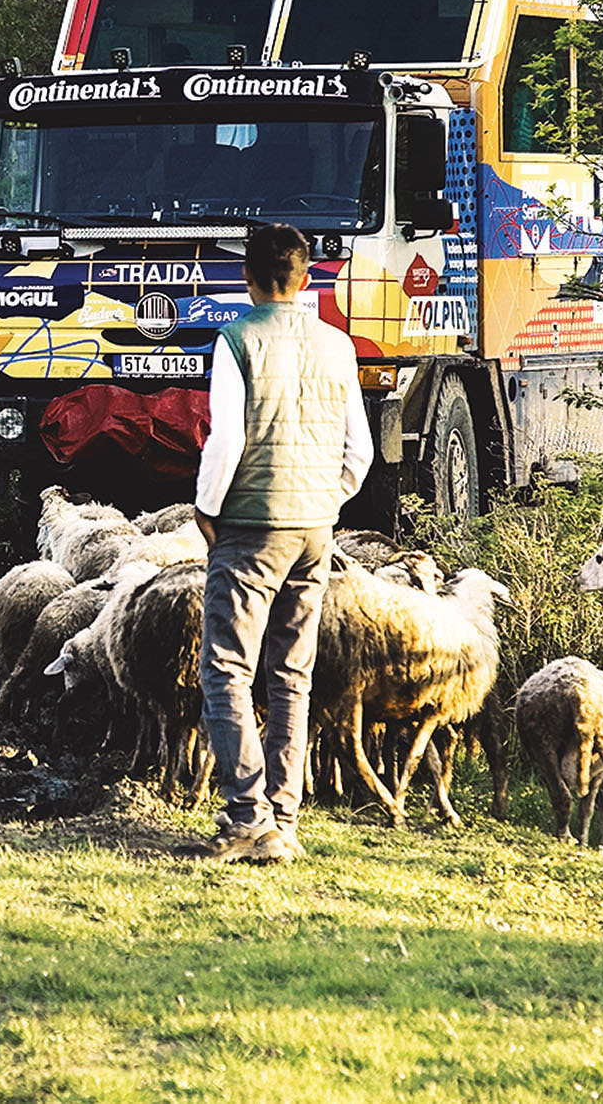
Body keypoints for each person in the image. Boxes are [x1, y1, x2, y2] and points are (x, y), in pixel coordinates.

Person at [186, 222, 373, 863]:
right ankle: (284, 819)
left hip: (249, 525)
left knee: (228, 668)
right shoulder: (339, 345)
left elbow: (227, 440)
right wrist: (327, 500)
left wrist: (206, 508)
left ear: (249, 277)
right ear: (304, 276)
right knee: (292, 670)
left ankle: (248, 816)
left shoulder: (235, 341)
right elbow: (360, 451)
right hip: (314, 528)